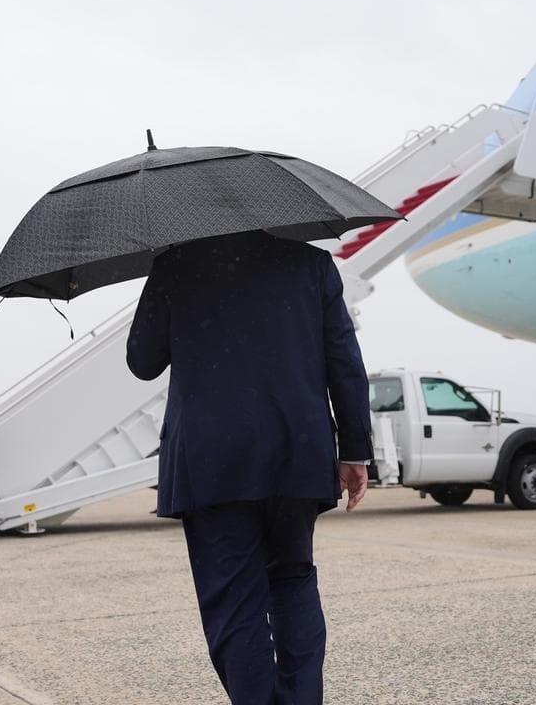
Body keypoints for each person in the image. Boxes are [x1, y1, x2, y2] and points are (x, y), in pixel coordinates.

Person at [126, 231, 371, 705]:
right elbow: (345, 361)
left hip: (212, 458)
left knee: (232, 597)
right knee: (294, 577)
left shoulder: (177, 263)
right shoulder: (312, 264)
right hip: (297, 450)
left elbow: (142, 361)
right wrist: (354, 451)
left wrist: (164, 287)